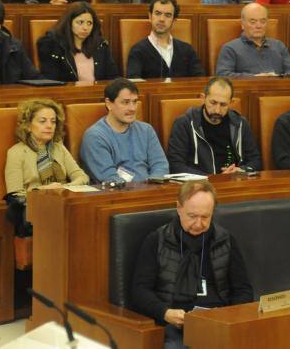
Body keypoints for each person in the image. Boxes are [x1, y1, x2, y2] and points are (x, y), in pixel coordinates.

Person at [131, 181, 254, 349]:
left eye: (205, 217)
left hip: (218, 321)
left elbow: (243, 290)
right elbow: (140, 291)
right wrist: (165, 313)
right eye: (192, 216)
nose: (198, 224)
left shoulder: (225, 240)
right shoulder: (157, 240)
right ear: (179, 208)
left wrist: (228, 317)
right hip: (176, 323)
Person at [4, 99, 89, 237]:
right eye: (42, 121)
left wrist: (65, 188)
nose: (49, 126)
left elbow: (82, 177)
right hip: (36, 210)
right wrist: (43, 190)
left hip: (63, 203)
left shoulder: (58, 147)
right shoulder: (16, 152)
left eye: (53, 121)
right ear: (28, 126)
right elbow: (14, 195)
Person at [79, 78, 169, 183]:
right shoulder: (95, 136)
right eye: (125, 102)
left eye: (134, 102)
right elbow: (109, 178)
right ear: (109, 104)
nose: (132, 108)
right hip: (115, 196)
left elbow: (160, 166)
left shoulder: (146, 130)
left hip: (150, 193)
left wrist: (153, 186)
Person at [167, 77, 262, 175]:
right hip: (199, 185)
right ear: (203, 98)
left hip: (234, 181)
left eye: (223, 105)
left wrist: (240, 170)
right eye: (213, 103)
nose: (217, 110)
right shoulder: (184, 124)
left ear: (231, 102)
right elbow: (176, 166)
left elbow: (256, 161)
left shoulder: (240, 123)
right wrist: (212, 178)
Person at [36, 2, 118, 82]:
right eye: (80, 22)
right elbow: (50, 81)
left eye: (89, 23)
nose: (85, 27)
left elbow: (112, 78)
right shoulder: (53, 45)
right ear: (69, 23)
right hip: (66, 94)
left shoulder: (100, 45)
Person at [126, 0, 205, 79]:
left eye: (167, 15)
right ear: (150, 16)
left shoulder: (187, 50)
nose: (162, 19)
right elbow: (134, 82)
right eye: (157, 13)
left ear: (174, 20)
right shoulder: (138, 51)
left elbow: (200, 81)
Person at [215, 3, 290, 77]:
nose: (259, 26)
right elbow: (222, 75)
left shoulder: (279, 46)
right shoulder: (230, 48)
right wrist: (254, 77)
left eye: (263, 21)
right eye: (253, 22)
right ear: (242, 24)